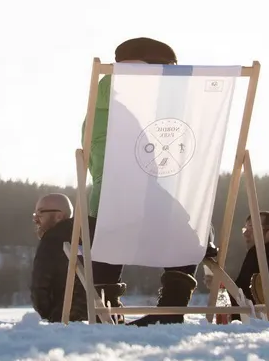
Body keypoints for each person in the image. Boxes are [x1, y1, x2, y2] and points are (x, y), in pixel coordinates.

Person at [85, 37, 204, 325]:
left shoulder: (114, 92)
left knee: (113, 236)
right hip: (125, 193)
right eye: (167, 70)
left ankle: (108, 306)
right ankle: (170, 308)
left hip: (112, 200)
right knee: (192, 235)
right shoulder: (122, 88)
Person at [28, 192, 93, 322]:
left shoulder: (51, 240)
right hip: (107, 314)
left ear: (58, 216)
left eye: (40, 213)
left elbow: (40, 289)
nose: (35, 219)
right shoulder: (94, 234)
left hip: (66, 318)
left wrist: (50, 316)